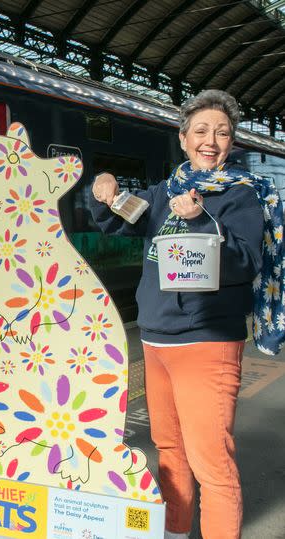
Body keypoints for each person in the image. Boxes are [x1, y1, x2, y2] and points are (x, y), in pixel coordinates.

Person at [89, 89, 284, 539]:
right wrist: (105, 189)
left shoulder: (242, 197)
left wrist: (199, 220)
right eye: (201, 131)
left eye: (221, 132)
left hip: (207, 343)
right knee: (170, 451)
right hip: (157, 343)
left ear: (231, 143)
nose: (210, 140)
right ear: (183, 138)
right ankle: (174, 533)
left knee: (211, 461)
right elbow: (120, 218)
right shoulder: (164, 191)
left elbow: (244, 261)